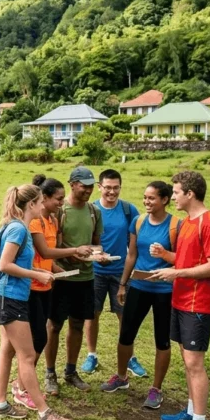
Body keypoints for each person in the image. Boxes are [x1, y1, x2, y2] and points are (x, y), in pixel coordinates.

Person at [0, 184, 73, 420]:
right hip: (10, 299)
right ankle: (45, 414)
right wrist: (36, 274)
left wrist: (39, 271)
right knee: (26, 356)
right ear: (32, 204)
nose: (43, 205)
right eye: (40, 201)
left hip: (8, 296)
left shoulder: (17, 226)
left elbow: (15, 264)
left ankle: (0, 404)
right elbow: (4, 265)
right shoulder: (18, 229)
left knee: (7, 350)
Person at [155, 172, 210, 420]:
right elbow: (185, 260)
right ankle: (189, 411)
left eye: (175, 192)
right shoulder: (186, 223)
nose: (172, 197)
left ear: (190, 194)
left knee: (195, 364)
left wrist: (177, 273)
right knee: (187, 359)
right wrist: (166, 257)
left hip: (199, 303)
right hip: (181, 300)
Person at [100, 181, 177, 409]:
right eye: (145, 197)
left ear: (165, 199)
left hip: (165, 290)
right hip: (139, 286)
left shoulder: (176, 226)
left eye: (151, 198)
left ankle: (156, 389)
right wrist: (123, 284)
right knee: (126, 334)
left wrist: (165, 254)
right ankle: (121, 377)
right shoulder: (139, 221)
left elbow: (183, 259)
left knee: (162, 339)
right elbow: (131, 255)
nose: (146, 202)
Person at [18, 176, 91, 404]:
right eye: (58, 199)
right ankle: (22, 386)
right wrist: (74, 251)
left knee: (38, 339)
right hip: (32, 287)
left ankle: (23, 385)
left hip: (46, 285)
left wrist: (59, 270)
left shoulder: (52, 220)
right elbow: (45, 252)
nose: (61, 203)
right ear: (45, 198)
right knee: (36, 339)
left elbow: (48, 258)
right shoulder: (34, 222)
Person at [46, 166, 102, 393]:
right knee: (54, 325)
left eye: (91, 186)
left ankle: (71, 371)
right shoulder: (59, 211)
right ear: (72, 184)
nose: (88, 190)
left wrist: (99, 255)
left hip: (86, 277)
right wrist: (70, 256)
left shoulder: (94, 211)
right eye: (84, 186)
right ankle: (50, 373)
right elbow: (51, 246)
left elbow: (96, 243)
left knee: (77, 324)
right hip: (63, 276)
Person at [83, 169, 140, 375]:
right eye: (107, 187)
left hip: (121, 272)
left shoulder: (128, 210)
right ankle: (91, 355)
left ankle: (130, 357)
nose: (112, 192)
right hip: (95, 271)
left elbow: (134, 243)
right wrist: (97, 254)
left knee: (125, 316)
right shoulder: (90, 209)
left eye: (116, 188)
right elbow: (85, 241)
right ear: (99, 187)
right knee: (92, 314)